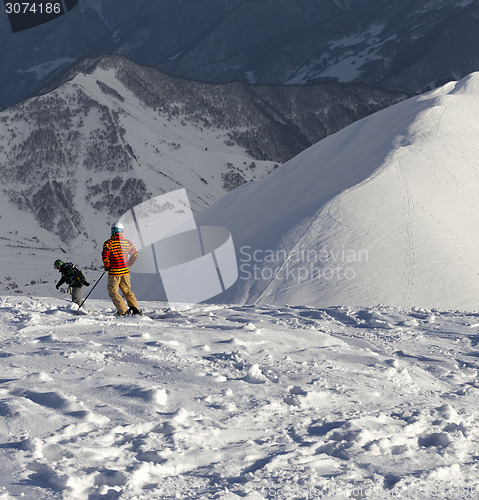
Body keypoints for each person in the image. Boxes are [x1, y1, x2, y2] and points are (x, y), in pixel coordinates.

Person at [102, 222, 141, 316]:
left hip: (114, 273)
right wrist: (128, 264)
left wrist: (107, 265)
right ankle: (135, 310)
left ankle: (123, 312)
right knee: (127, 291)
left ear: (112, 231)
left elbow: (105, 255)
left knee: (113, 291)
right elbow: (135, 255)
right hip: (125, 272)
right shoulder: (128, 243)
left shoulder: (108, 243)